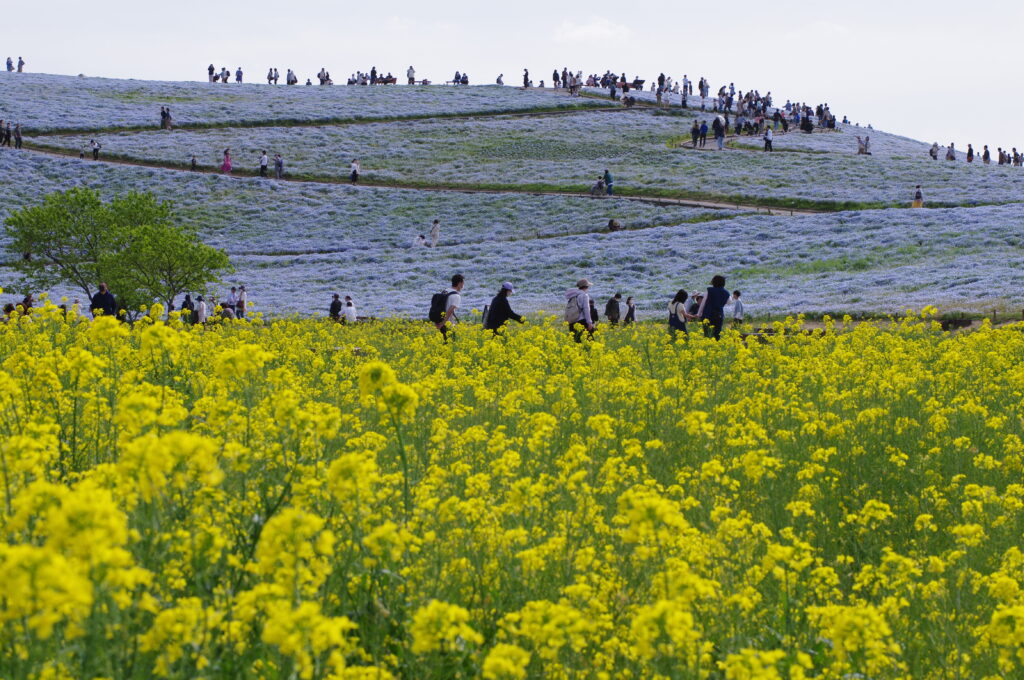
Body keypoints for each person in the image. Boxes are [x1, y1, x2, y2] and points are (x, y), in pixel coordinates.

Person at [696, 274, 730, 340]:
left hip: (707, 315)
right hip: (719, 315)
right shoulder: (726, 293)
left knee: (708, 334)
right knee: (717, 334)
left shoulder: (709, 291)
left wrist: (699, 313)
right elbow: (728, 302)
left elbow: (703, 303)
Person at [431, 273, 464, 341]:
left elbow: (436, 306)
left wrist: (437, 322)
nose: (463, 285)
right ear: (460, 283)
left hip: (440, 321)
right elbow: (450, 311)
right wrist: (443, 323)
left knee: (445, 343)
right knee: (451, 343)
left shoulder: (445, 291)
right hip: (448, 324)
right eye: (463, 283)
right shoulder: (456, 296)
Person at [565, 279, 594, 343]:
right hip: (581, 321)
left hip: (572, 321)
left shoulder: (573, 295)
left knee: (576, 342)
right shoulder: (584, 295)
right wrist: (589, 322)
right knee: (591, 341)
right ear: (586, 287)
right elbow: (586, 309)